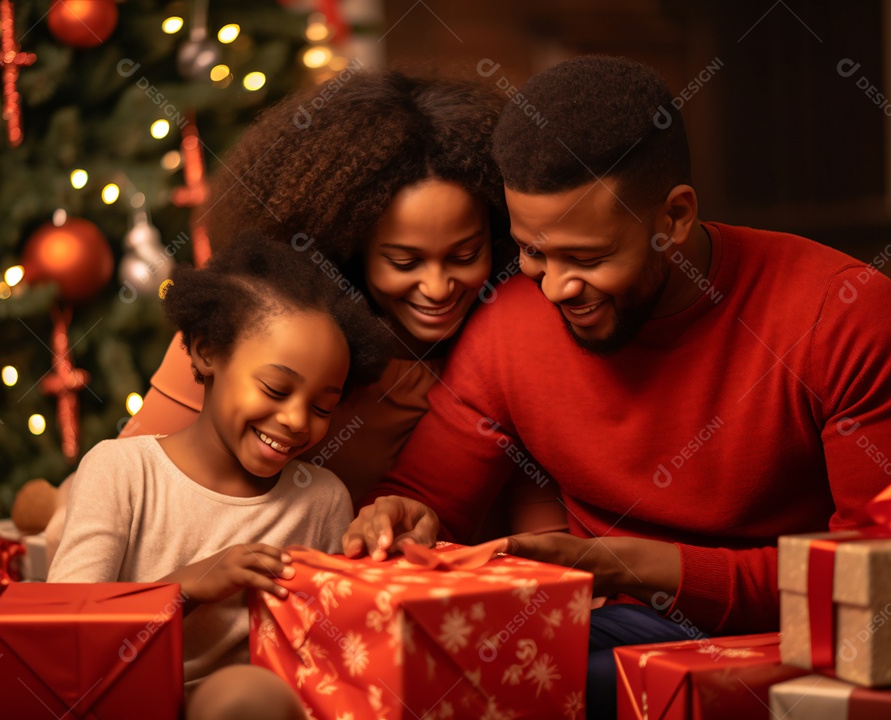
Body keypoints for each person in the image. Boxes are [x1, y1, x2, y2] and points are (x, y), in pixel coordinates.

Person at [341, 55, 891, 718]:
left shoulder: (842, 313)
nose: (554, 287)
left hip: (811, 647)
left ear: (674, 217)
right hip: (616, 634)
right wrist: (399, 517)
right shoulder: (509, 328)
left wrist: (642, 567)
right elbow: (427, 498)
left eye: (587, 257)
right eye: (533, 252)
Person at [42, 71, 566, 563]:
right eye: (404, 261)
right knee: (63, 515)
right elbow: (135, 484)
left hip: (389, 590)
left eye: (464, 255)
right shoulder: (259, 332)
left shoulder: (503, 337)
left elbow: (535, 494)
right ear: (350, 247)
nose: (437, 288)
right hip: (230, 583)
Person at [48, 236, 389, 720]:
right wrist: (182, 589)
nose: (296, 420)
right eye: (275, 388)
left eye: (321, 407)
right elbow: (65, 634)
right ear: (208, 352)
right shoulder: (122, 471)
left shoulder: (323, 501)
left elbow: (335, 640)